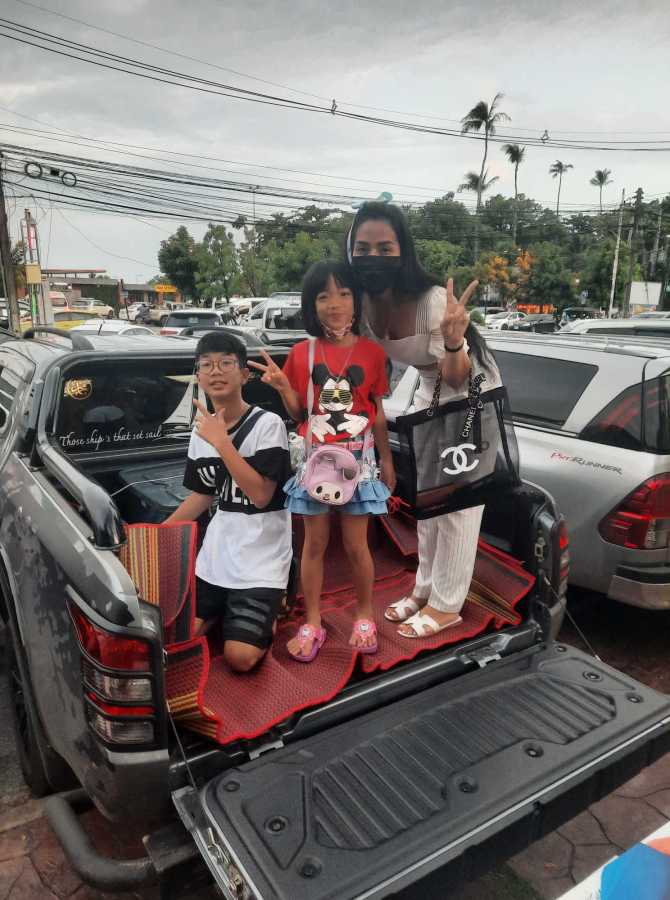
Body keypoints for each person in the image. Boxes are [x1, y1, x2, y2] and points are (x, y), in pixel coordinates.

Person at [347, 201, 501, 639]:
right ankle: (424, 588)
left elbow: (457, 375)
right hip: (428, 387)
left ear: (403, 250)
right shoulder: (360, 299)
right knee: (429, 499)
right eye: (363, 248)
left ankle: (447, 605)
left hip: (469, 387)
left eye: (385, 248)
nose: (373, 257)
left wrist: (453, 340)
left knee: (456, 504)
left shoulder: (431, 301)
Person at [249, 260, 395, 662]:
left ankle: (364, 616)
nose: (335, 304)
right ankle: (312, 621)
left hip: (360, 464)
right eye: (324, 296)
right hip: (316, 464)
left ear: (356, 301)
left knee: (356, 546)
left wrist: (387, 460)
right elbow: (300, 413)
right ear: (311, 304)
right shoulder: (302, 352)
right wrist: (283, 387)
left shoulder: (372, 353)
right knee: (313, 545)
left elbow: (378, 413)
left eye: (344, 294)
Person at [165, 331, 292, 673]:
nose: (216, 371)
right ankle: (227, 609)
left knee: (240, 658)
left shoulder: (268, 424)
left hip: (262, 558)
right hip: (216, 556)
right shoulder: (202, 432)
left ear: (244, 374)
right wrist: (156, 533)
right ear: (198, 375)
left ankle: (273, 602)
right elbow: (203, 495)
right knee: (176, 638)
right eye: (206, 365)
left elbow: (261, 496)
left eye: (225, 363)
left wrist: (222, 442)